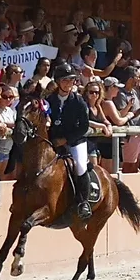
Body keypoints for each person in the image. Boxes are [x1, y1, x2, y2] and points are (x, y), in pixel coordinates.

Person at [47, 63, 98, 220]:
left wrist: (66, 140)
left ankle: (83, 202)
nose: (68, 84)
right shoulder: (49, 100)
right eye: (65, 80)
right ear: (58, 82)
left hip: (75, 141)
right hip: (53, 140)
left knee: (80, 165)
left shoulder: (79, 101)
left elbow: (84, 126)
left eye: (71, 80)